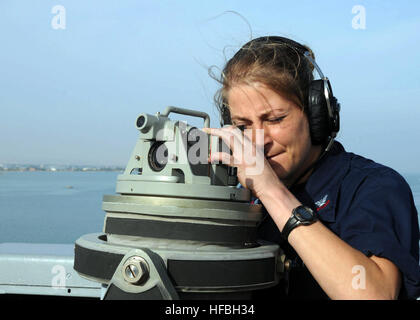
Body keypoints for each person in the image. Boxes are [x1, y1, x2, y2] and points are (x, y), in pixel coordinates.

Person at [202, 36, 420, 300]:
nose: (258, 141)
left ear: (317, 115)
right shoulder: (242, 200)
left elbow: (373, 295)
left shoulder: (374, 187)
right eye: (244, 125)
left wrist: (272, 192)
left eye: (275, 119)